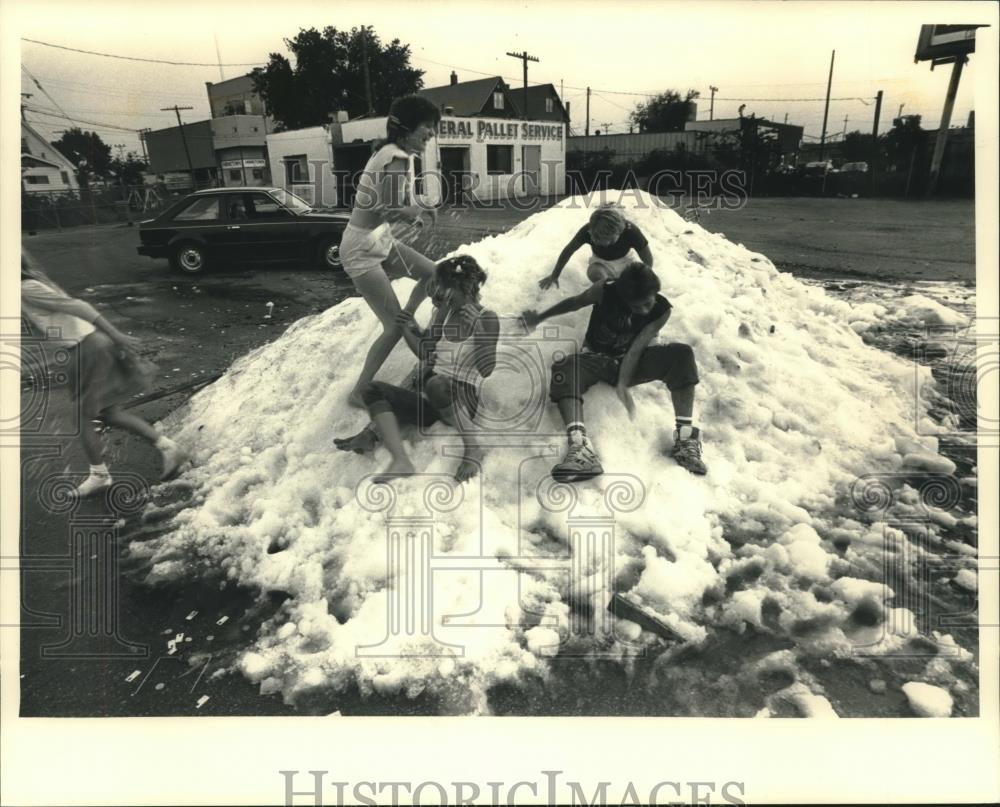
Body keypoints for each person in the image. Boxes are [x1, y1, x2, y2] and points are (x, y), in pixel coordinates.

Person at [522, 261, 707, 481]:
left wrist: (622, 383)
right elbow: (575, 302)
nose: (645, 310)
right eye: (637, 307)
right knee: (565, 367)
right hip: (596, 358)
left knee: (682, 354)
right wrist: (540, 317)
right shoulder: (604, 291)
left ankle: (685, 440)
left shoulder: (661, 310)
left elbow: (637, 348)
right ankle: (581, 448)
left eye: (648, 303)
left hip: (633, 361)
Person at [20, 254, 186, 496]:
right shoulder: (28, 285)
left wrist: (117, 336)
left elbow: (81, 307)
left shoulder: (27, 288)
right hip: (85, 347)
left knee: (82, 419)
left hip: (87, 348)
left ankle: (99, 475)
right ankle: (168, 448)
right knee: (108, 412)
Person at [334, 255, 500, 482]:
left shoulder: (487, 317)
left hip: (462, 399)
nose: (440, 295)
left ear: (463, 287)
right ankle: (389, 451)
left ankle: (473, 448)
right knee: (371, 389)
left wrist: (479, 331)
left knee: (434, 383)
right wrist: (405, 329)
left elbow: (487, 370)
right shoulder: (445, 312)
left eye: (444, 288)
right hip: (432, 396)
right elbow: (425, 353)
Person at [340, 95, 443, 408]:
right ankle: (359, 392)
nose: (431, 134)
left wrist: (417, 208)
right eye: (426, 127)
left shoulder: (393, 153)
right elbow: (388, 206)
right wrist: (418, 209)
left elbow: (393, 204)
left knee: (434, 273)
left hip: (378, 239)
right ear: (407, 128)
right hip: (361, 248)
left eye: (433, 128)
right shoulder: (396, 156)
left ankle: (408, 317)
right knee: (392, 328)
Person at [538, 204, 654, 290]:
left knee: (632, 280)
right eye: (600, 241)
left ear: (620, 231)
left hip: (626, 261)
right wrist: (554, 275)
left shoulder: (631, 231)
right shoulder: (588, 230)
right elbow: (569, 250)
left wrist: (645, 276)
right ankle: (608, 291)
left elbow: (647, 257)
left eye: (611, 241)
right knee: (594, 274)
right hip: (601, 263)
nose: (606, 245)